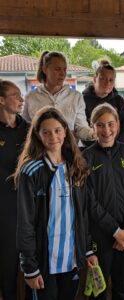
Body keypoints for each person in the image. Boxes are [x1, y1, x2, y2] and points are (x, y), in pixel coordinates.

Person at [14, 107, 98, 300]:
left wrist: (86, 249)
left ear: (66, 131)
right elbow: (25, 223)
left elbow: (82, 213)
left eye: (58, 130)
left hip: (72, 260)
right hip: (44, 263)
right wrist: (30, 267)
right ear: (37, 135)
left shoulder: (76, 166)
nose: (53, 136)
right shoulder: (31, 171)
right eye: (46, 132)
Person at [83, 103, 124, 300]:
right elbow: (89, 202)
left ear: (117, 124)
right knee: (98, 291)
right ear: (93, 126)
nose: (106, 130)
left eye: (110, 124)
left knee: (122, 289)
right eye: (100, 125)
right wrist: (115, 231)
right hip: (101, 236)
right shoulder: (86, 157)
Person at [23, 51, 94, 141]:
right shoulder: (31, 97)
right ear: (45, 69)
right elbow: (26, 128)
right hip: (40, 152)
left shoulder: (76, 97)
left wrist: (92, 134)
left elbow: (81, 128)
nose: (62, 74)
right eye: (57, 69)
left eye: (64, 69)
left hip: (69, 151)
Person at [0, 80, 29, 300]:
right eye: (15, 95)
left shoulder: (28, 130)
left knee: (32, 267)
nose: (21, 99)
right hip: (4, 210)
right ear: (1, 100)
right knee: (7, 266)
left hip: (28, 206)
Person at [82, 60, 124, 143]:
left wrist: (116, 146)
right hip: (91, 148)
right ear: (94, 79)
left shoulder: (119, 100)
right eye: (103, 79)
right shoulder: (83, 100)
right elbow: (81, 126)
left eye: (111, 80)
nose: (107, 83)